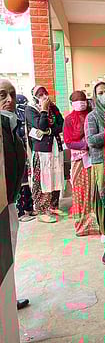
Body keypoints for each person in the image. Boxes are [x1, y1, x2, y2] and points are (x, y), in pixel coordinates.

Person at [0, 79, 29, 310]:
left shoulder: (11, 128)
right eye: (2, 95)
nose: (10, 100)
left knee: (7, 258)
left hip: (9, 203)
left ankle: (7, 298)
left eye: (12, 94)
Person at [85, 82, 105, 264]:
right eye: (101, 93)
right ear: (95, 96)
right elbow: (91, 141)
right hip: (100, 165)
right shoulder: (92, 116)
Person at [26, 85, 64, 223]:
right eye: (39, 94)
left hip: (55, 147)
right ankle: (41, 210)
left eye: (44, 93)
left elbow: (61, 124)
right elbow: (40, 126)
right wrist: (43, 109)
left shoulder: (53, 107)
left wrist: (49, 131)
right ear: (34, 96)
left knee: (56, 176)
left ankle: (53, 206)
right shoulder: (30, 110)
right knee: (41, 179)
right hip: (42, 151)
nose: (43, 96)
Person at [64, 91, 99, 236]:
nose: (81, 102)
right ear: (72, 102)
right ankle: (82, 226)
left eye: (83, 99)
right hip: (79, 160)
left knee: (95, 190)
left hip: (95, 158)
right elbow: (68, 141)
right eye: (77, 100)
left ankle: (98, 223)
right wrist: (85, 145)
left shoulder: (93, 115)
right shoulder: (69, 119)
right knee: (80, 192)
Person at [15, 94, 36, 222]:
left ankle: (29, 207)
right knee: (21, 183)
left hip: (26, 153)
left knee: (27, 182)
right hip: (17, 156)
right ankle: (21, 212)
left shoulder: (25, 115)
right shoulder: (13, 118)